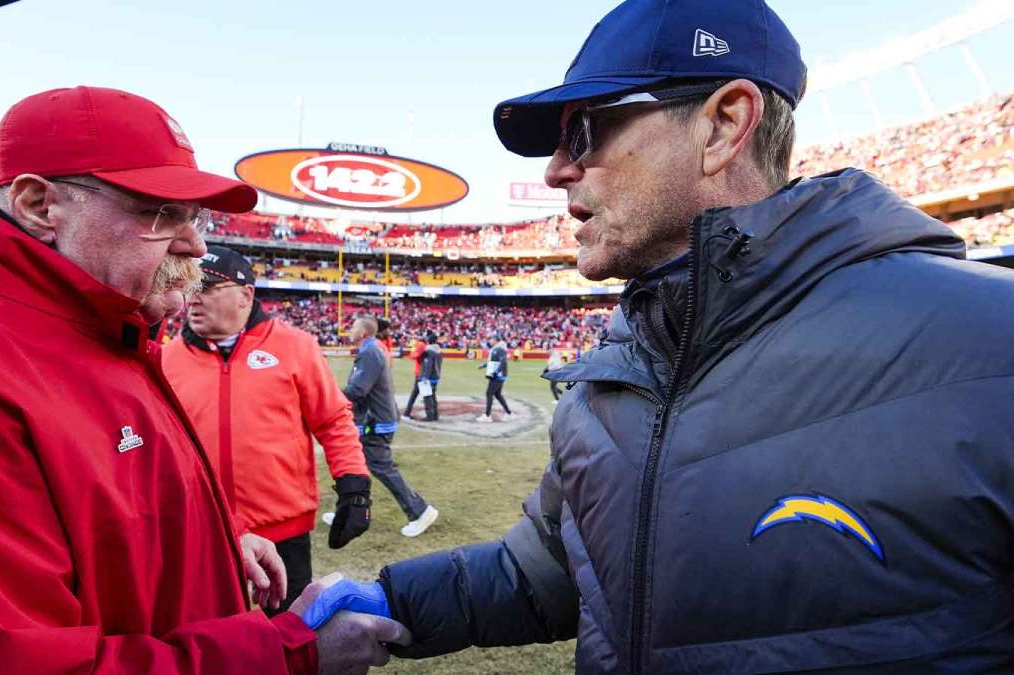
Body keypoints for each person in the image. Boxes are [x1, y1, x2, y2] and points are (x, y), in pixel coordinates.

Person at [328, 1, 1014, 672]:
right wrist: (390, 600)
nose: (556, 168)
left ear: (722, 126)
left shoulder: (991, 344)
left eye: (588, 130)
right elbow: (550, 570)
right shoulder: (619, 366)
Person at [0, 85, 408, 674]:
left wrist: (221, 540)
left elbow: (109, 497)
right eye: (160, 213)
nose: (196, 243)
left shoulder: (91, 327)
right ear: (39, 205)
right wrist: (288, 656)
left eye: (193, 215)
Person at [163, 245, 373, 614]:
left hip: (282, 526)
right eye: (190, 288)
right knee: (212, 637)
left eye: (207, 288)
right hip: (201, 527)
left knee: (291, 632)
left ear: (246, 295)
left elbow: (333, 420)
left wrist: (354, 486)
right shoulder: (168, 358)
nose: (193, 299)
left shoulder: (295, 346)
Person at [339, 316, 439, 537]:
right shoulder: (372, 349)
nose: (349, 330)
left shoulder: (370, 352)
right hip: (373, 420)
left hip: (376, 422)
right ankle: (349, 514)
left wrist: (328, 394)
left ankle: (420, 511)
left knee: (381, 468)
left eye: (353, 327)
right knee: (355, 466)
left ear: (364, 332)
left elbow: (358, 389)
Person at [475, 334, 513, 422]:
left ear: (496, 340)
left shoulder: (500, 349)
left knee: (489, 393)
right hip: (497, 375)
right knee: (497, 394)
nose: (490, 341)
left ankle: (487, 415)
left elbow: (503, 362)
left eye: (491, 339)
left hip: (497, 376)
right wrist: (483, 365)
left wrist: (495, 372)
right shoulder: (496, 349)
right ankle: (509, 413)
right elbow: (493, 361)